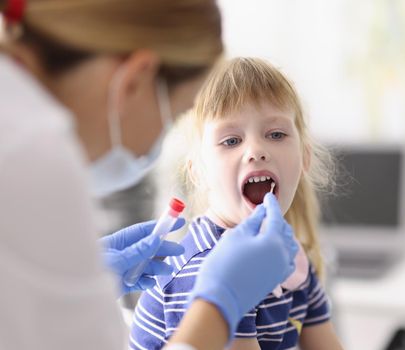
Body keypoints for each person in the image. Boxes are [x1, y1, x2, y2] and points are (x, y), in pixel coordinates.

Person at [0, 1, 298, 349]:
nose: (255, 151)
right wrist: (222, 305)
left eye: (276, 134)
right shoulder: (31, 159)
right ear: (135, 80)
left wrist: (74, 277)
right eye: (176, 113)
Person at [131, 57, 344, 350]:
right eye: (231, 141)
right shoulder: (206, 269)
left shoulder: (292, 257)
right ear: (198, 171)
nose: (256, 151)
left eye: (276, 134)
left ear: (304, 158)